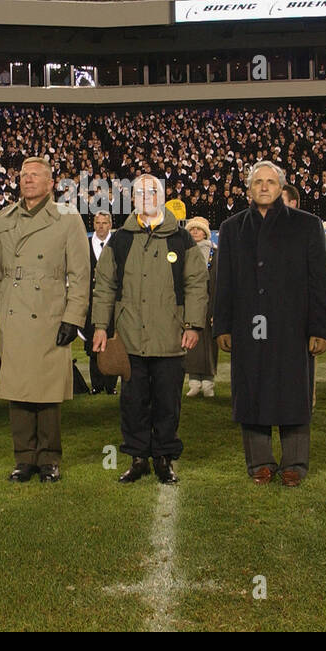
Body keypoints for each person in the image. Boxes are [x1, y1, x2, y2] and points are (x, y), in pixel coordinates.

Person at [214, 161, 326, 486]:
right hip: (247, 326)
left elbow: (319, 281)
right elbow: (223, 283)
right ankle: (260, 462)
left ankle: (295, 462)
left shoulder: (308, 225)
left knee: (294, 391)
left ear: (281, 187)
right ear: (248, 188)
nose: (264, 187)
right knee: (251, 390)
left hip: (293, 328)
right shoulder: (231, 227)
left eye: (270, 182)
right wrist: (222, 325)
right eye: (258, 182)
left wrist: (320, 328)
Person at [91, 174, 208, 485]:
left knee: (168, 401)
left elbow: (196, 283)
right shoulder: (121, 238)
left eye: (151, 191)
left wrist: (194, 324)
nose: (145, 196)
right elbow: (104, 285)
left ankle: (164, 458)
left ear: (162, 196)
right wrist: (100, 326)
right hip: (130, 338)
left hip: (170, 336)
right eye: (139, 191)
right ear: (132, 199)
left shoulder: (181, 239)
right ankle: (138, 457)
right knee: (133, 401)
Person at [0, 157, 89, 483]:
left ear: (50, 183)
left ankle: (49, 459)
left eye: (35, 176)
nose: (28, 180)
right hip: (12, 314)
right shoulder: (4, 218)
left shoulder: (68, 218)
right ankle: (23, 458)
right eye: (23, 176)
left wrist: (73, 317)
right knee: (17, 390)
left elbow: (81, 274)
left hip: (49, 315)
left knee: (46, 393)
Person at [183, 216, 218, 398]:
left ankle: (208, 382)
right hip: (191, 306)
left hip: (210, 305)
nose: (195, 232)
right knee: (191, 344)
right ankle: (194, 382)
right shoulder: (184, 252)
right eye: (192, 229)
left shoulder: (215, 253)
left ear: (205, 232)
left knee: (210, 344)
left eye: (198, 229)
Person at [85, 211, 116, 394]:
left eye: (105, 223)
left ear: (110, 224)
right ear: (94, 224)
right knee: (93, 344)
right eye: (98, 223)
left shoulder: (117, 244)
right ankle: (96, 385)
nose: (101, 226)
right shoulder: (86, 245)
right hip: (91, 304)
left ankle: (111, 385)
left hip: (112, 304)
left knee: (111, 344)